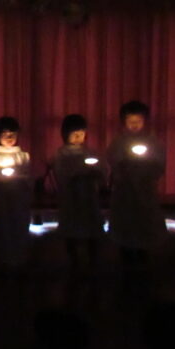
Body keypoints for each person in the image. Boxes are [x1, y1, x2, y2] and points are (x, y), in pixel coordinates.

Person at [107, 100, 165, 267]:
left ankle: (143, 258)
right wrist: (125, 164)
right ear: (123, 122)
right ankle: (126, 258)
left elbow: (159, 165)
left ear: (144, 121)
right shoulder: (119, 142)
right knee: (125, 227)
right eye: (130, 121)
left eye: (138, 121)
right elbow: (113, 161)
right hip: (125, 192)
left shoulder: (152, 142)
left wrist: (146, 166)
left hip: (145, 191)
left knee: (143, 227)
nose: (134, 125)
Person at [52, 114, 106, 272]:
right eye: (74, 133)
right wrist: (79, 172)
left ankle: (93, 261)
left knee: (91, 229)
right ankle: (74, 262)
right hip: (71, 198)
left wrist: (97, 173)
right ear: (65, 134)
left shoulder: (90, 152)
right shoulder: (62, 154)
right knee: (72, 229)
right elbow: (61, 173)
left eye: (81, 133)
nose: (78, 137)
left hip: (89, 197)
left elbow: (102, 170)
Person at [0, 116, 32, 274]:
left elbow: (28, 178)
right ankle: (1, 263)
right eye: (5, 134)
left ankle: (19, 263)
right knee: (2, 231)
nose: (9, 137)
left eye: (12, 134)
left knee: (18, 230)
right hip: (1, 203)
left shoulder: (23, 156)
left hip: (18, 203)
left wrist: (18, 180)